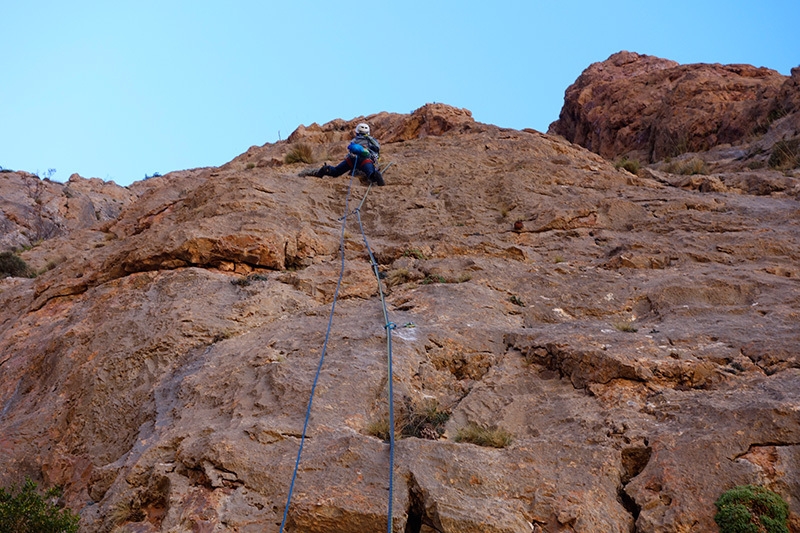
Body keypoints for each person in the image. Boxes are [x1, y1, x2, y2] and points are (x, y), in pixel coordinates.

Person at [314, 123, 385, 185]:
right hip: (365, 160)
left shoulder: (355, 140)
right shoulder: (371, 140)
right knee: (371, 175)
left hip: (351, 159)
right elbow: (376, 149)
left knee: (336, 171)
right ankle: (376, 175)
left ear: (357, 131)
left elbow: (350, 148)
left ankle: (326, 169)